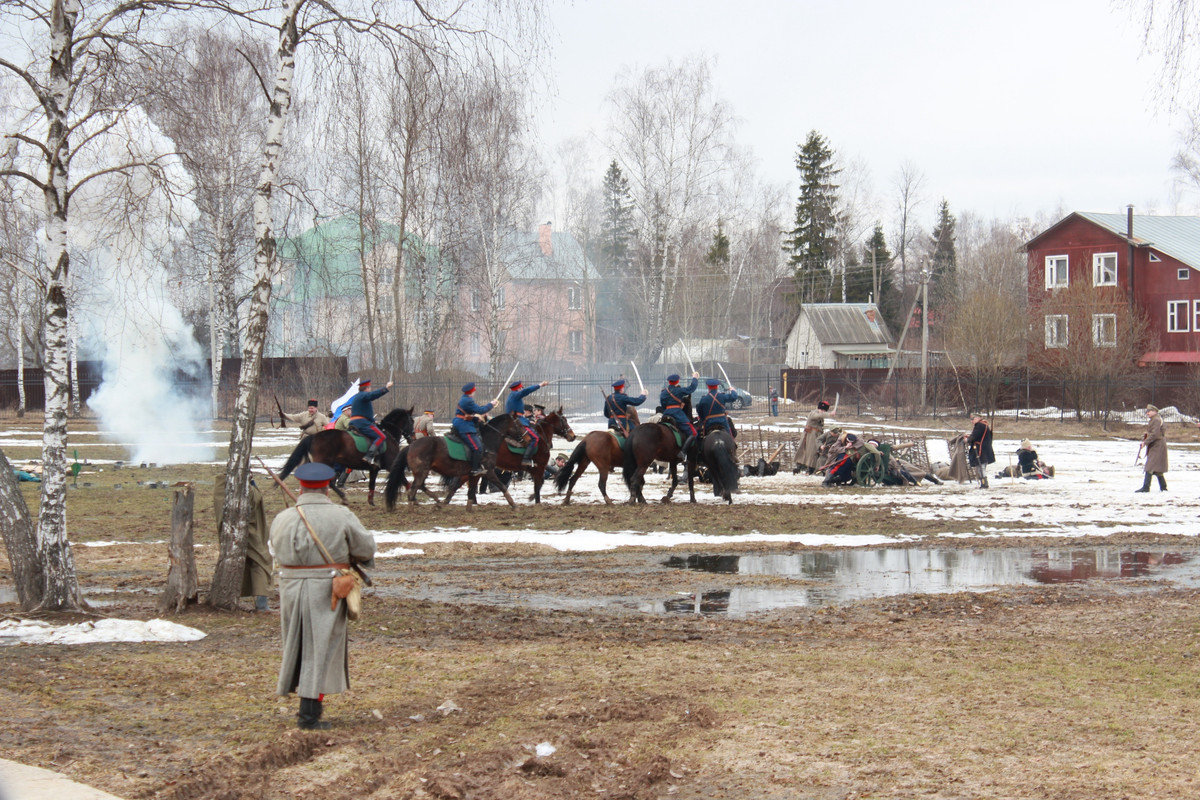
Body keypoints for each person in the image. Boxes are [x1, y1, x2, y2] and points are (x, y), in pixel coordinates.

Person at [271, 462, 375, 730]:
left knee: (297, 645)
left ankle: (306, 707)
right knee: (320, 649)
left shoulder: (283, 517)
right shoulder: (341, 515)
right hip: (326, 588)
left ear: (301, 487)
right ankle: (308, 715)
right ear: (327, 488)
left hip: (290, 588)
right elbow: (365, 548)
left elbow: (275, 549)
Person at [213, 472, 273, 611]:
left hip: (234, 531)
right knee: (262, 561)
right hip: (249, 530)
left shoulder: (222, 485)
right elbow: (254, 500)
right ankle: (262, 605)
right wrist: (251, 484)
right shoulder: (237, 486)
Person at [505, 378, 550, 468]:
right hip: (518, 421)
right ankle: (525, 459)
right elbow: (526, 391)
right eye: (521, 388)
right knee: (535, 438)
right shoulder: (515, 395)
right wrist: (540, 385)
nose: (522, 389)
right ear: (518, 388)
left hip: (520, 419)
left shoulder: (513, 396)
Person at [347, 378, 393, 466]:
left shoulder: (357, 397)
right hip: (362, 423)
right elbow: (373, 395)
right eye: (369, 388)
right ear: (367, 388)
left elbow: (362, 412)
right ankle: (369, 456)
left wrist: (373, 421)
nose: (370, 389)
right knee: (381, 436)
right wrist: (386, 388)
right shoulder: (363, 395)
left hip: (356, 421)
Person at [454, 382, 496, 476]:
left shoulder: (466, 399)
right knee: (477, 447)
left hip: (465, 422)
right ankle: (475, 469)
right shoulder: (468, 400)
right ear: (471, 391)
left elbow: (474, 410)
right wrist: (491, 404)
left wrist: (477, 418)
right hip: (464, 425)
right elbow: (481, 410)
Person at [659, 372, 701, 456]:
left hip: (666, 414)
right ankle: (683, 452)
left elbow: (663, 405)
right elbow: (691, 388)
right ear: (677, 381)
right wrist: (695, 378)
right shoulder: (679, 390)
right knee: (694, 433)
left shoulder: (663, 393)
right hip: (677, 414)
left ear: (669, 382)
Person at [1137, 404, 1168, 492]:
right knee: (1157, 468)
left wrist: (1145, 442)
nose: (1147, 413)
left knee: (1150, 466)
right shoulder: (1155, 419)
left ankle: (1146, 487)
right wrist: (1145, 437)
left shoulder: (1156, 420)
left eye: (1149, 411)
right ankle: (1163, 487)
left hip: (1157, 445)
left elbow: (1155, 434)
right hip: (1157, 445)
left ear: (1154, 412)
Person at [796, 400, 831, 474]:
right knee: (812, 451)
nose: (822, 411)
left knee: (813, 451)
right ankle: (806, 468)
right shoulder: (813, 413)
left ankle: (810, 468)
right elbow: (818, 416)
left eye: (823, 410)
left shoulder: (820, 415)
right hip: (810, 434)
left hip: (816, 434)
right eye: (821, 410)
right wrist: (830, 414)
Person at [964, 411, 995, 489]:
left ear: (978, 418)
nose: (971, 421)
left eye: (973, 419)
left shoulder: (980, 425)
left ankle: (984, 484)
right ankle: (983, 483)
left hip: (981, 449)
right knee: (980, 467)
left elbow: (975, 435)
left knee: (981, 467)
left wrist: (967, 440)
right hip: (984, 448)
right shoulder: (983, 425)